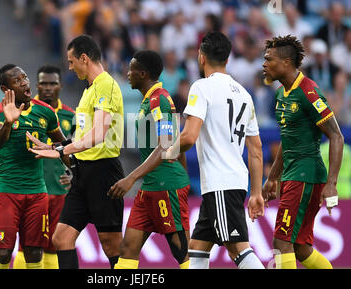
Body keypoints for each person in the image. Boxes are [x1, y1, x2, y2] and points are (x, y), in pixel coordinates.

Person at [163, 31, 266, 269]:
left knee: (238, 249)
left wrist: (164, 152)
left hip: (220, 183)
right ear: (227, 59)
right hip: (233, 182)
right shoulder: (244, 94)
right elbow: (256, 149)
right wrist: (256, 192)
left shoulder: (201, 87)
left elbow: (189, 136)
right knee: (197, 248)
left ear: (201, 57)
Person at [27, 34, 125, 269]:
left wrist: (60, 149)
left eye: (71, 62)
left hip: (104, 173)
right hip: (82, 175)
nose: (69, 67)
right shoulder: (89, 89)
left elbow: (99, 134)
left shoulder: (105, 85)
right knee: (61, 239)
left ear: (84, 58)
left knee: (111, 245)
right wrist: (54, 147)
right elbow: (82, 136)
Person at [262, 35, 344, 269]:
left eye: (269, 59)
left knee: (281, 240)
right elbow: (287, 140)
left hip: (306, 176)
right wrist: (272, 178)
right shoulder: (280, 94)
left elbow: (336, 136)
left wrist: (332, 183)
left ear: (286, 62)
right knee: (300, 247)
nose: (264, 64)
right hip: (292, 175)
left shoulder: (309, 92)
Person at [107, 50, 191, 269]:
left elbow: (165, 145)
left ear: (142, 73)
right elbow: (175, 143)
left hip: (166, 185)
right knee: (127, 249)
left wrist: (130, 178)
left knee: (181, 252)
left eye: (131, 69)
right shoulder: (150, 101)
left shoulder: (159, 100)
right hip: (151, 187)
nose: (127, 73)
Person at [0, 64, 68, 269]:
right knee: (4, 253)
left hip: (36, 191)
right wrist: (8, 122)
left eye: (24, 77)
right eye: (17, 80)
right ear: (6, 90)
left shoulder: (46, 112)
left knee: (34, 252)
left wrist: (77, 171)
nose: (24, 82)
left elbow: (63, 146)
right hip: (7, 191)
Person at [13, 65, 75, 269]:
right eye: (43, 83)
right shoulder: (23, 111)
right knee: (26, 246)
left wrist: (74, 175)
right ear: (36, 84)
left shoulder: (71, 116)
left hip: (58, 190)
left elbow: (79, 151)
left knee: (53, 246)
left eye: (52, 83)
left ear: (60, 86)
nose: (47, 88)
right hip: (29, 188)